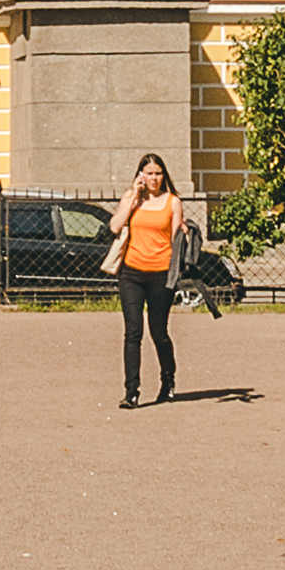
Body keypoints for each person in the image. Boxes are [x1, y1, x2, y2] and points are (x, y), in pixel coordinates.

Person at [108, 155, 183, 408]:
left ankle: (168, 381)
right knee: (133, 333)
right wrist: (132, 198)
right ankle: (131, 392)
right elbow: (115, 226)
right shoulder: (132, 198)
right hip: (131, 273)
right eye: (149, 173)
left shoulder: (172, 202)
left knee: (159, 333)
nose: (154, 178)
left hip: (161, 274)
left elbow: (175, 241)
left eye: (158, 173)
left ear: (164, 175)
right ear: (141, 174)